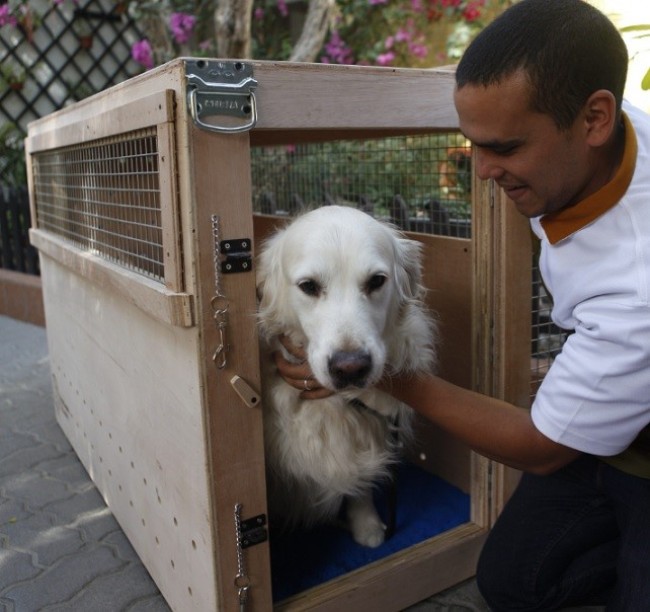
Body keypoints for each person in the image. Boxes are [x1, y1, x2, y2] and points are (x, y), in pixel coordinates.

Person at [273, 0, 650, 609]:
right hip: (613, 402)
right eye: (472, 143)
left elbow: (542, 447)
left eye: (503, 147)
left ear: (594, 119)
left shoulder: (639, 279)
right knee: (509, 582)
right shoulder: (598, 134)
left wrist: (396, 380)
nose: (480, 172)